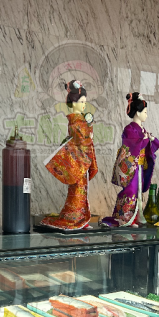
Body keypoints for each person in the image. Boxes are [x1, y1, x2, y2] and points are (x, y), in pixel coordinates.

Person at [40, 80, 98, 230]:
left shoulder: (79, 119)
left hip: (80, 157)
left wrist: (89, 129)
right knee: (78, 189)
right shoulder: (75, 120)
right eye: (82, 102)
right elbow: (81, 139)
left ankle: (80, 218)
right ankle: (75, 218)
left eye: (85, 102)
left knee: (81, 188)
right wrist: (89, 135)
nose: (84, 105)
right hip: (78, 158)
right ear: (74, 102)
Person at [103, 92, 159, 227]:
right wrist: (145, 140)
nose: (146, 115)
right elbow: (132, 145)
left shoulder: (142, 129)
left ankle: (135, 218)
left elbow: (149, 143)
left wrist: (150, 139)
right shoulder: (129, 129)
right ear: (138, 113)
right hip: (131, 167)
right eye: (145, 112)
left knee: (138, 192)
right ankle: (124, 218)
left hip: (139, 166)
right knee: (131, 191)